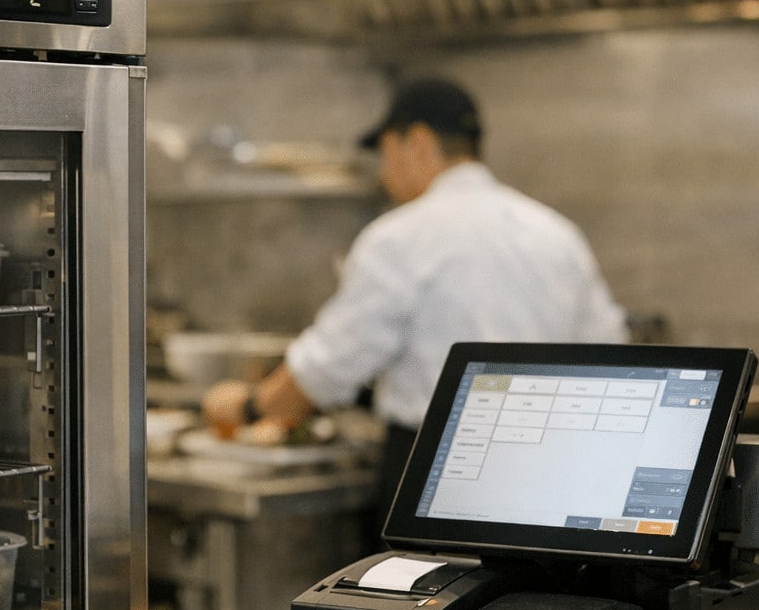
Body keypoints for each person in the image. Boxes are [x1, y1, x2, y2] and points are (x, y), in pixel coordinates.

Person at [203, 77, 628, 540]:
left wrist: (247, 406)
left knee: (430, 607)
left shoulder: (399, 238)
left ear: (418, 143)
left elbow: (327, 368)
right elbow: (612, 356)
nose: (384, 172)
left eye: (386, 151)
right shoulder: (558, 235)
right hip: (555, 479)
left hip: (438, 477)